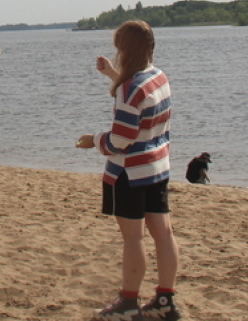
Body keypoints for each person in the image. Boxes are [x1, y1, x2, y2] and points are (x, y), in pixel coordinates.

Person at [76, 21, 181, 321]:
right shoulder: (158, 77)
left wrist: (93, 141)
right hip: (157, 167)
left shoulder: (129, 88)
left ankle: (129, 302)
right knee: (163, 232)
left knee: (134, 238)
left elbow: (120, 140)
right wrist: (111, 74)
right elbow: (140, 102)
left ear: (126, 49)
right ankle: (165, 299)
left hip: (130, 173)